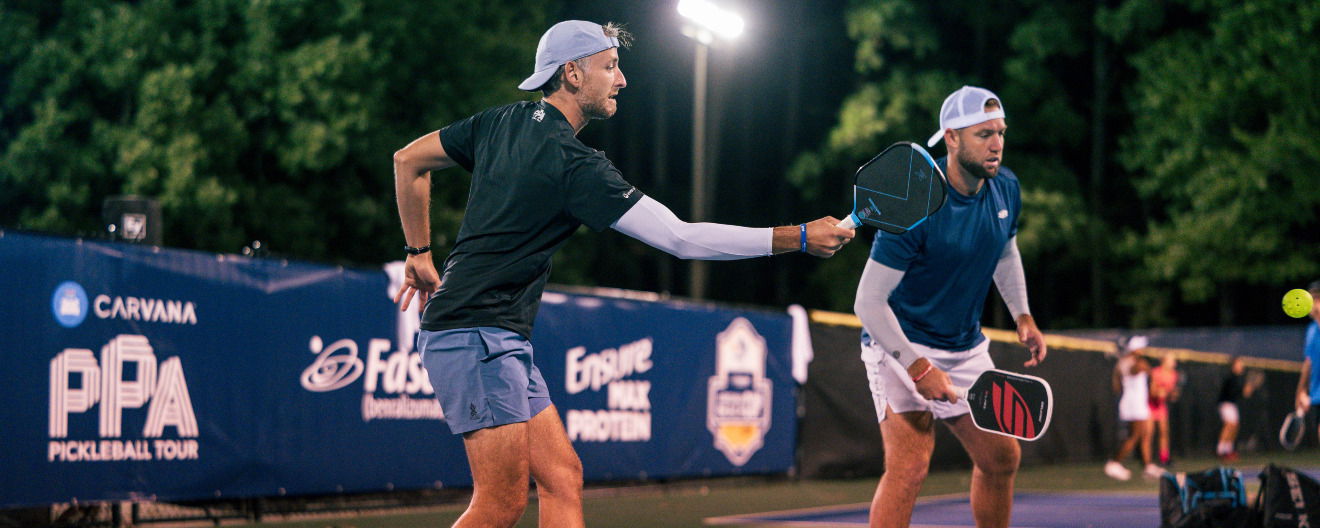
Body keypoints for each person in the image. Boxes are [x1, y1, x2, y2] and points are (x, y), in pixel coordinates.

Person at [391, 20, 855, 528]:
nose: (622, 80)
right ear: (572, 73)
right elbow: (681, 238)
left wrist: (418, 251)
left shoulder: (502, 121)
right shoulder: (575, 165)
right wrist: (799, 237)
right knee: (499, 504)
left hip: (491, 335)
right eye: (610, 67)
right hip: (474, 333)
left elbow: (408, 160)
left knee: (563, 476)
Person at [853, 85, 1047, 528]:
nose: (997, 143)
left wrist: (1022, 315)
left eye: (1000, 132)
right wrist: (918, 366)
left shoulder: (1006, 188)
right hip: (899, 343)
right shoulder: (914, 205)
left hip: (964, 347)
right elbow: (867, 302)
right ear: (952, 138)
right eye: (983, 134)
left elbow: (1005, 251)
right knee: (910, 467)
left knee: (1001, 458)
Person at [1104, 336, 1160, 481]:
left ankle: (1148, 466)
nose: (1143, 350)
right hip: (1133, 404)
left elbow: (1117, 386)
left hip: (1138, 403)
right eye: (1141, 348)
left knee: (1146, 434)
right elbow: (1139, 370)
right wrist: (1147, 370)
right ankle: (1114, 463)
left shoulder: (1127, 362)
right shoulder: (1133, 362)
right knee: (1134, 436)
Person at [1216, 355, 1263, 461]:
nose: (1241, 365)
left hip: (1232, 404)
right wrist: (1244, 391)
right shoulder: (1230, 377)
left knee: (1235, 426)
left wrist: (1246, 391)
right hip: (1225, 404)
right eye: (1239, 363)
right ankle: (1220, 451)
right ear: (1233, 366)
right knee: (1229, 425)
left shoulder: (1238, 378)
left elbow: (1241, 394)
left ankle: (1228, 450)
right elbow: (1233, 392)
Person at [1293, 280, 1320, 444]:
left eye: (1317, 298)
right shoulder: (1311, 330)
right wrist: (1301, 392)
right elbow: (1308, 363)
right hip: (1317, 394)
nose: (1313, 304)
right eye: (1310, 299)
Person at [1148, 349, 1180, 466]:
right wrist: (1162, 392)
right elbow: (1153, 392)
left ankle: (1164, 458)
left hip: (1160, 406)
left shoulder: (1174, 375)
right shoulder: (1155, 372)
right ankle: (1148, 460)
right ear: (1164, 361)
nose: (1174, 362)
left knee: (1164, 432)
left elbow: (1169, 394)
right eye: (1171, 360)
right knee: (1149, 433)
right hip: (1150, 405)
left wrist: (1171, 395)